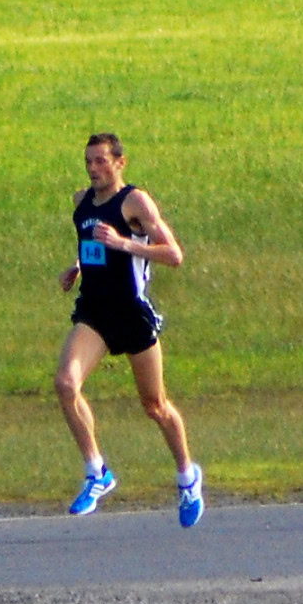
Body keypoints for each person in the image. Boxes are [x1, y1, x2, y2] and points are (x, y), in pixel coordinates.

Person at [55, 132, 203, 527]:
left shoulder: (134, 202)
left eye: (101, 161)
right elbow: (93, 246)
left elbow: (173, 255)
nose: (93, 169)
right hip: (95, 314)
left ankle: (187, 477)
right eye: (88, 162)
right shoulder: (81, 203)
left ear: (120, 162)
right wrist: (79, 266)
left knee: (154, 406)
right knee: (66, 384)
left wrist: (124, 243)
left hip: (132, 313)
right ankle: (96, 471)